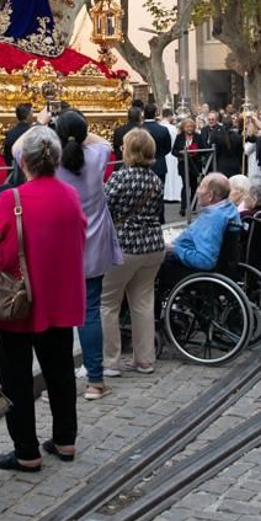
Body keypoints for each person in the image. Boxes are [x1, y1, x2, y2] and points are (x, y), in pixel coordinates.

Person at [0, 126, 86, 471]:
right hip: (59, 296)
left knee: (16, 378)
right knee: (60, 372)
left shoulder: (13, 198)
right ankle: (65, 440)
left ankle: (26, 451)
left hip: (18, 302)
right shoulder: (70, 194)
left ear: (22, 161)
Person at [53, 109, 120, 401]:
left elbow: (18, 148)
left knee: (58, 317)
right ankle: (95, 380)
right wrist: (78, 129)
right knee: (90, 312)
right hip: (92, 246)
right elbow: (103, 141)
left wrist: (44, 125)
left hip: (58, 250)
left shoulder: (50, 162)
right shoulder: (96, 156)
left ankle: (60, 381)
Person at [100, 129, 166, 377]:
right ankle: (145, 360)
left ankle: (111, 361)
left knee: (107, 303)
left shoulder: (120, 178)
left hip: (124, 246)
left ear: (130, 150)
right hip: (153, 246)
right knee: (143, 303)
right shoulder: (155, 180)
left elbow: (103, 208)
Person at [140, 103, 171, 183]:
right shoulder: (163, 130)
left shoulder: (138, 129)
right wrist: (159, 154)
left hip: (142, 164)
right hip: (159, 163)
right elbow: (168, 148)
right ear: (155, 114)